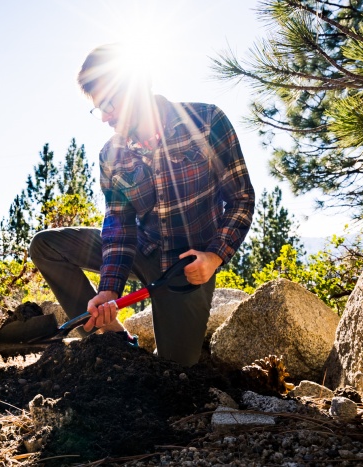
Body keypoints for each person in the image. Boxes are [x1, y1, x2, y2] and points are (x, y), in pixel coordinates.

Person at [28, 43, 255, 366]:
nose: (104, 117)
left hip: (187, 270)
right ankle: (114, 341)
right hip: (142, 251)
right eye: (98, 109)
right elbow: (118, 228)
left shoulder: (206, 121)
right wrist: (108, 290)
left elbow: (241, 198)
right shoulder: (111, 155)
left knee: (176, 370)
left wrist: (215, 256)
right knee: (46, 246)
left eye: (108, 104)